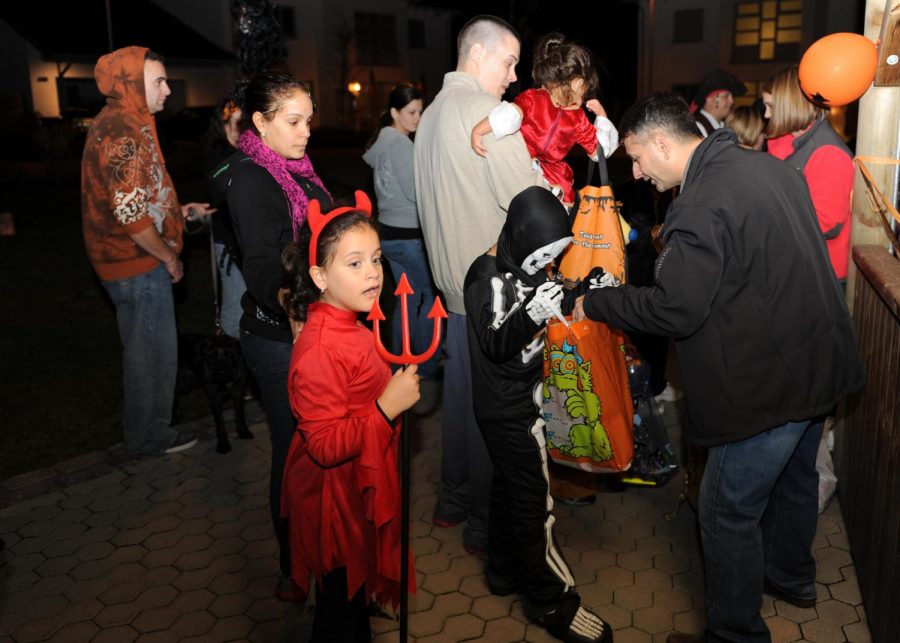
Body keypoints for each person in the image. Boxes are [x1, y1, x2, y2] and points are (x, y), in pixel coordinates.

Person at [571, 92, 864, 643]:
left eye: (636, 158)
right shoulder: (762, 165)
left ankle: (735, 634)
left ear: (662, 142)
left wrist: (599, 303)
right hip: (820, 363)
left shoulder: (700, 203)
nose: (635, 173)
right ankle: (791, 577)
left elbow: (675, 309)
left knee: (727, 509)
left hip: (772, 387)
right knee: (796, 478)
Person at [413, 14, 545, 555]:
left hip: (452, 291)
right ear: (478, 54)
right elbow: (532, 207)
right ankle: (485, 529)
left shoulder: (430, 115)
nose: (514, 75)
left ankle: (454, 500)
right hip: (495, 300)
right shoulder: (489, 116)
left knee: (463, 406)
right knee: (500, 419)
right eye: (509, 60)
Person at [465, 185, 612, 643]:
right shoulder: (484, 276)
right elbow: (496, 342)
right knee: (535, 503)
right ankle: (550, 600)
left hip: (522, 400)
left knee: (512, 487)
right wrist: (531, 315)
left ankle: (504, 570)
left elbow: (548, 294)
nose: (545, 263)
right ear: (520, 238)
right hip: (507, 411)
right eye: (541, 254)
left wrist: (585, 289)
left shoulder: (521, 261)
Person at [211, 70, 332, 602]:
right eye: (293, 121)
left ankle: (322, 551)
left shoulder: (295, 168)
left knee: (319, 449)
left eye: (309, 120)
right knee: (294, 451)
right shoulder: (254, 178)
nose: (306, 131)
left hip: (315, 327)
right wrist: (292, 306)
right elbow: (261, 263)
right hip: (279, 339)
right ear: (259, 122)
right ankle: (292, 563)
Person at [280, 195, 420, 641]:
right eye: (355, 263)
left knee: (351, 606)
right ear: (320, 276)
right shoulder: (319, 348)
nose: (374, 273)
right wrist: (386, 407)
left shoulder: (350, 321)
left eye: (376, 259)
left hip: (355, 483)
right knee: (339, 615)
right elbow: (322, 446)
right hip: (332, 503)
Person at [81, 46, 215, 455]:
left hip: (133, 259)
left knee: (148, 346)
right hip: (135, 264)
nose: (168, 90)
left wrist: (178, 210)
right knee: (151, 352)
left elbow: (141, 194)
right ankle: (148, 437)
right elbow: (132, 217)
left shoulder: (131, 122)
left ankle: (147, 431)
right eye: (158, 82)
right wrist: (168, 255)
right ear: (132, 87)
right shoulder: (122, 133)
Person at [470, 32, 618, 208]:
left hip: (556, 175)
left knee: (560, 209)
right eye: (585, 89)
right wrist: (478, 130)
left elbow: (599, 152)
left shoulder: (577, 117)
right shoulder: (534, 99)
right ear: (577, 83)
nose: (585, 96)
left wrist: (602, 117)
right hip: (527, 165)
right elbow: (508, 116)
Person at [362, 84, 442, 379]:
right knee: (424, 297)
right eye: (411, 112)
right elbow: (415, 192)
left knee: (405, 298)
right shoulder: (401, 144)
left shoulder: (383, 142)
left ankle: (400, 364)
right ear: (395, 112)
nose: (418, 117)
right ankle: (426, 365)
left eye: (420, 111)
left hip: (387, 235)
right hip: (409, 236)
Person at [766, 65, 853, 287]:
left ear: (789, 105)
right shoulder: (786, 141)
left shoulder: (827, 151)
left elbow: (826, 223)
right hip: (797, 263)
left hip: (821, 273)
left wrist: (765, 222)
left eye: (770, 106)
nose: (766, 114)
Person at [205, 98, 248, 338]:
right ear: (223, 124)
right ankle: (227, 360)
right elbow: (221, 194)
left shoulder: (250, 152)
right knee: (235, 308)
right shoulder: (218, 157)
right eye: (238, 121)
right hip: (229, 246)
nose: (243, 127)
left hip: (248, 241)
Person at [690, 69, 747, 138]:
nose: (732, 101)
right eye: (726, 96)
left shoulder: (723, 126)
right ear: (710, 98)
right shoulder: (698, 127)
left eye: (732, 97)